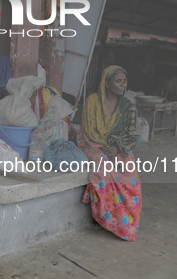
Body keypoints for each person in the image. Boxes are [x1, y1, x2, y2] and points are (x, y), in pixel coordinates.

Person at [77, 65, 142, 241]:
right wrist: (103, 149)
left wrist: (116, 148)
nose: (123, 85)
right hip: (91, 144)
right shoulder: (92, 102)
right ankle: (110, 220)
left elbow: (133, 135)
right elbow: (87, 130)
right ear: (107, 83)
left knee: (129, 171)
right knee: (104, 166)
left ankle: (128, 223)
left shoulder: (128, 107)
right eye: (118, 81)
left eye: (124, 81)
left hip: (117, 147)